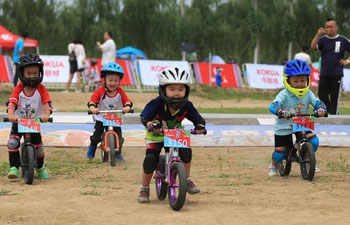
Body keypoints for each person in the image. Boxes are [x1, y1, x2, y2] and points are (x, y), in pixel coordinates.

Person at [137, 67, 206, 203]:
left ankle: (186, 180)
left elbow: (197, 118)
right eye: (172, 89)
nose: (176, 93)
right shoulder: (156, 104)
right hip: (156, 136)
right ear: (163, 90)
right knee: (150, 160)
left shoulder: (187, 105)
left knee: (186, 153)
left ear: (186, 90)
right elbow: (145, 116)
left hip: (176, 134)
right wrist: (150, 124)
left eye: (181, 89)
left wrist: (200, 126)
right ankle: (144, 188)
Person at [268, 59, 326, 176]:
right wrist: (280, 111)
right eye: (296, 81)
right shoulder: (283, 94)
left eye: (302, 80)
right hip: (284, 124)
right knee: (280, 153)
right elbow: (273, 106)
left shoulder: (308, 93)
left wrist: (320, 109)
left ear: (307, 80)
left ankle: (308, 161)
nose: (300, 84)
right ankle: (273, 165)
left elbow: (317, 102)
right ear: (288, 81)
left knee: (313, 141)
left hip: (302, 121)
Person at [6, 53, 53, 179]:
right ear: (22, 73)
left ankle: (40, 167)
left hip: (34, 122)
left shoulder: (41, 88)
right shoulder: (19, 88)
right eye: (29, 73)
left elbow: (47, 102)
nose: (32, 77)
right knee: (13, 142)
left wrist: (46, 115)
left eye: (35, 73)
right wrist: (10, 114)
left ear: (40, 73)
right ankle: (14, 167)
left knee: (39, 147)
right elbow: (13, 101)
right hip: (19, 121)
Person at [86, 62, 133, 162]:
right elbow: (93, 100)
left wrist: (127, 106)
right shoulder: (100, 91)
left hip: (115, 117)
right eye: (110, 80)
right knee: (96, 136)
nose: (113, 83)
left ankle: (118, 153)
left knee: (119, 139)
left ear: (120, 81)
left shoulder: (120, 91)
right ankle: (92, 147)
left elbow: (127, 101)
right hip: (101, 117)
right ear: (104, 80)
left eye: (116, 81)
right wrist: (93, 107)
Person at [310, 18, 350, 115]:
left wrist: (347, 61)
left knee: (334, 96)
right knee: (322, 95)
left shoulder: (343, 40)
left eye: (331, 27)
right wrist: (318, 34)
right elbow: (313, 47)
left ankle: (334, 115)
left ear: (336, 28)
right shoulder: (322, 40)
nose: (329, 29)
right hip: (324, 73)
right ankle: (331, 113)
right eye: (327, 27)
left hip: (337, 73)